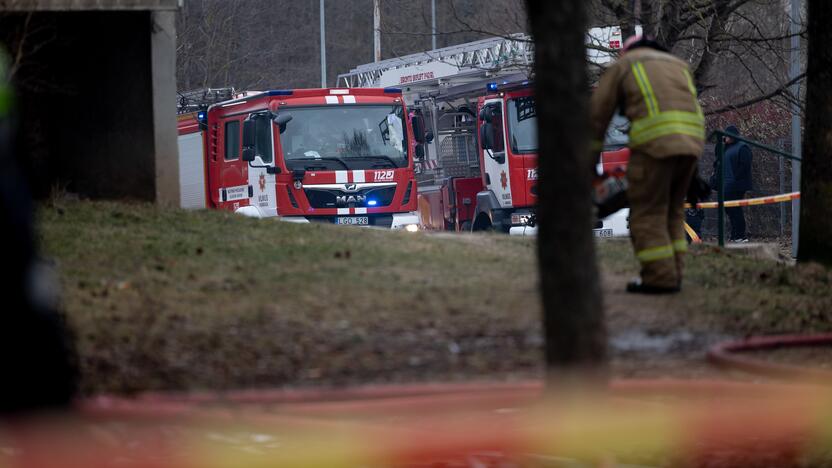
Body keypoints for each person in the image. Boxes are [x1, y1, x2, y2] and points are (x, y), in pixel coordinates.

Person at [590, 34, 705, 294]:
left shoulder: (625, 65)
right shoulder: (679, 66)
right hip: (692, 146)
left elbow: (597, 116)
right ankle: (674, 273)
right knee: (673, 212)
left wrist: (587, 165)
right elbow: (691, 112)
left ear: (629, 51)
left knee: (647, 213)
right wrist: (694, 173)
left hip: (654, 148)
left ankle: (659, 278)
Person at [718, 125, 753, 242]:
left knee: (735, 209)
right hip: (727, 184)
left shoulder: (742, 147)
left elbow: (745, 165)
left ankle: (740, 235)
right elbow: (717, 156)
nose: (725, 137)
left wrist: (735, 178)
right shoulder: (727, 148)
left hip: (736, 184)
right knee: (729, 209)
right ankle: (735, 235)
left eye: (727, 136)